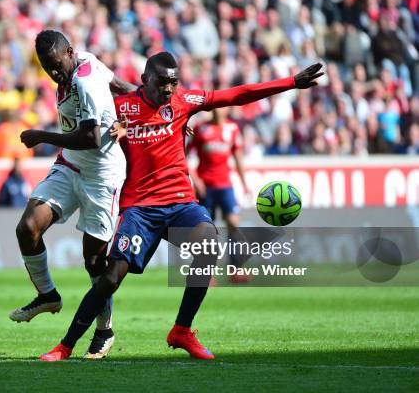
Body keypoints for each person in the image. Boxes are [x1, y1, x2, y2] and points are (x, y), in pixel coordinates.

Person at [39, 53, 323, 361]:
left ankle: (182, 330)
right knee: (110, 278)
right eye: (163, 82)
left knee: (209, 241)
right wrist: (109, 138)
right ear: (145, 79)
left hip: (181, 204)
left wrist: (291, 82)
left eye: (174, 82)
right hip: (140, 208)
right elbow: (90, 136)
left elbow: (237, 95)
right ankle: (66, 345)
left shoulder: (184, 101)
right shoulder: (120, 109)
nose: (169, 89)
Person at [9, 30, 135, 359]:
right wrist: (146, 103)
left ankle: (104, 328)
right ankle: (48, 295)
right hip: (70, 166)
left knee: (94, 260)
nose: (53, 73)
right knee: (28, 227)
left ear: (69, 51)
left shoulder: (83, 82)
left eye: (56, 64)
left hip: (101, 175)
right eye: (46, 67)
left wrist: (42, 136)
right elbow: (121, 87)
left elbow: (92, 137)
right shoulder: (86, 61)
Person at [189, 107, 252, 283]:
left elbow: (238, 157)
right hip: (205, 188)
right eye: (216, 107)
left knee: (233, 223)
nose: (218, 110)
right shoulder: (200, 128)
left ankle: (236, 269)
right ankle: (207, 273)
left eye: (222, 107)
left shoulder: (232, 129)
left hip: (225, 186)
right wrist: (196, 179)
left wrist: (245, 183)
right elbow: (183, 156)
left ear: (227, 110)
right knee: (207, 231)